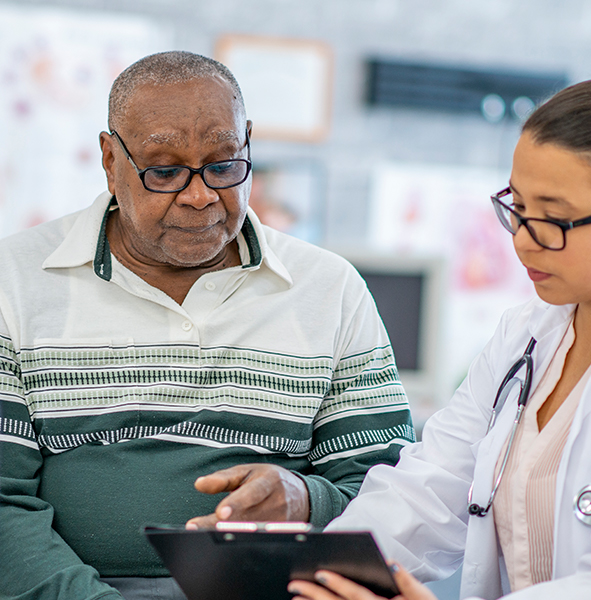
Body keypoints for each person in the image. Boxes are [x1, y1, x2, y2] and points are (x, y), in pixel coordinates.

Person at [290, 79, 591, 600]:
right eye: (517, 206)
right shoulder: (524, 336)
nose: (522, 240)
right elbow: (428, 489)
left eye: (554, 218)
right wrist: (314, 573)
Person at [0, 51, 414, 600]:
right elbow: (3, 502)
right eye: (164, 171)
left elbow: (391, 489)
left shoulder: (329, 288)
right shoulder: (15, 280)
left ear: (248, 144)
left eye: (222, 166)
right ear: (110, 159)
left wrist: (305, 499)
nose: (200, 196)